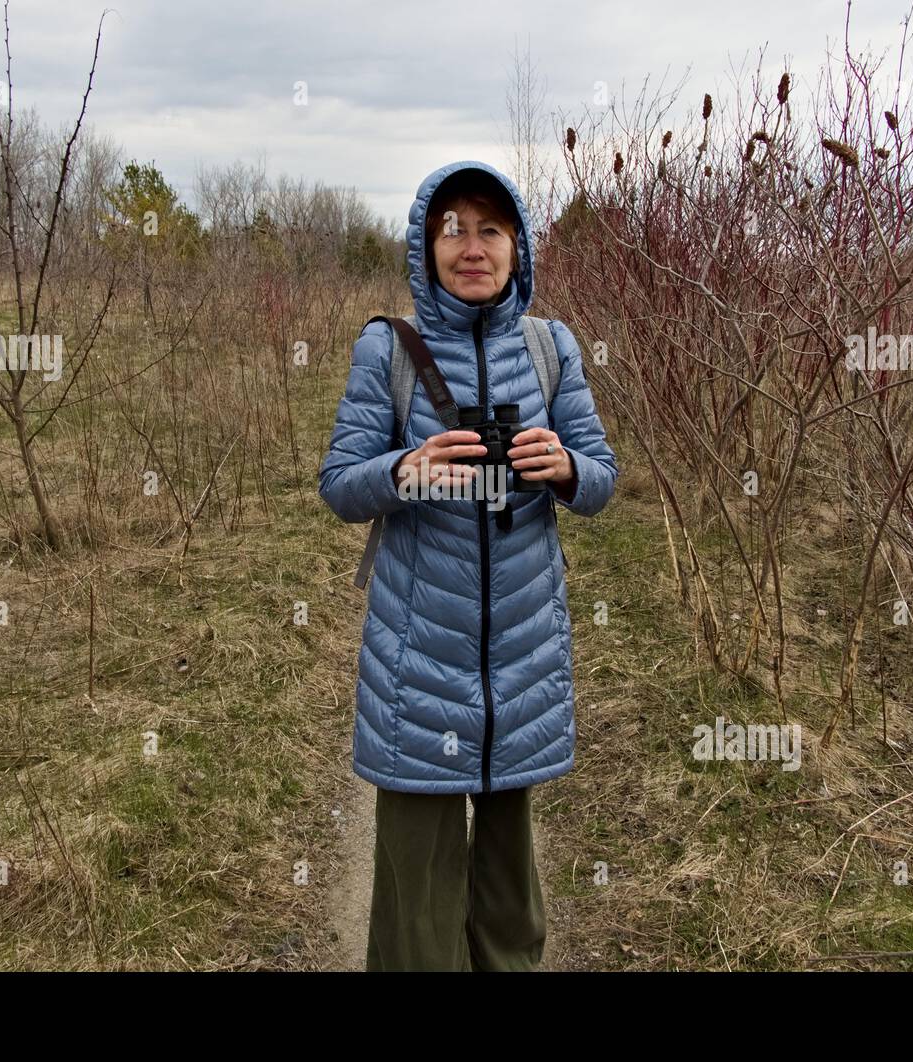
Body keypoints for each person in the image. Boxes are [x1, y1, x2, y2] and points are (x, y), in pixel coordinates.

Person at [318, 160, 618, 971]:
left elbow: (602, 479)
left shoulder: (551, 348)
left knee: (510, 894)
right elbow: (339, 486)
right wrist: (401, 471)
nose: (473, 246)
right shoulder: (388, 349)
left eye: (491, 228)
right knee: (416, 897)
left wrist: (565, 466)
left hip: (521, 656)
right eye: (455, 228)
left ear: (518, 247)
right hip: (418, 662)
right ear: (427, 246)